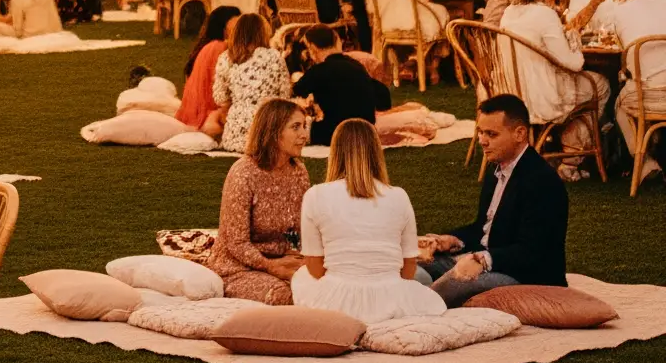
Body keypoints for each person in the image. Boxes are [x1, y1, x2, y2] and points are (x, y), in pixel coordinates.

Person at [297, 119, 447, 323]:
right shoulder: (399, 196)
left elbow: (315, 269)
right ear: (377, 152)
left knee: (301, 276)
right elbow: (408, 269)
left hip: (337, 299)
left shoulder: (315, 195)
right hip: (390, 293)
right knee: (421, 280)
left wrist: (349, 279)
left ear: (335, 152)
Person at [420, 95, 569, 296]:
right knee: (418, 261)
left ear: (520, 133)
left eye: (491, 134)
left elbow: (534, 252)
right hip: (495, 263)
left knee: (456, 281)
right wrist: (450, 240)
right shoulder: (498, 169)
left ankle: (420, 303)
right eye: (480, 132)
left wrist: (482, 260)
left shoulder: (542, 182)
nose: (482, 141)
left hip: (526, 277)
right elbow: (484, 228)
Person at [498, 0, 609, 156]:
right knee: (601, 85)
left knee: (587, 86)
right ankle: (572, 156)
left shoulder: (510, 12)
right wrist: (574, 39)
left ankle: (558, 145)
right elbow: (573, 64)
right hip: (542, 98)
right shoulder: (544, 14)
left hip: (513, 92)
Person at [210, 98, 312, 302]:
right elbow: (236, 243)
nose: (304, 135)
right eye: (296, 127)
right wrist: (274, 268)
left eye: (304, 126)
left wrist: (295, 254)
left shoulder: (298, 171)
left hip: (281, 261)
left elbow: (296, 228)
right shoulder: (244, 173)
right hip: (239, 269)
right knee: (289, 296)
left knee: (333, 283)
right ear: (273, 132)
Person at [611, 0, 666, 173]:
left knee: (619, 106)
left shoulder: (621, 12)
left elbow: (622, 48)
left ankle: (643, 160)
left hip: (645, 95)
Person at [292, 22, 392, 142]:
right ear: (337, 42)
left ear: (312, 48)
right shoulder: (356, 65)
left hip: (334, 133)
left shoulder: (318, 71)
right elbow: (384, 97)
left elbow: (295, 92)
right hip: (366, 131)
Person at [206, 12, 290, 152]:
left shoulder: (225, 58)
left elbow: (220, 98)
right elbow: (285, 95)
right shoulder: (274, 56)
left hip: (236, 134)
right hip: (268, 129)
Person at [178, 7, 234, 128]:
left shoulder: (206, 45)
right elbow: (221, 92)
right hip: (208, 115)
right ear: (224, 28)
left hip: (196, 112)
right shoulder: (220, 47)